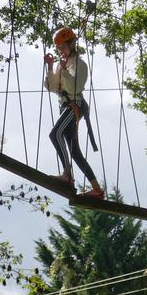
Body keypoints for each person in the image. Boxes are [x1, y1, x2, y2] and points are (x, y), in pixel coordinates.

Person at [44, 27, 104, 199]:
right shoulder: (61, 64)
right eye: (59, 48)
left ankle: (67, 174)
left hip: (74, 104)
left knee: (55, 134)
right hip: (64, 106)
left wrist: (63, 70)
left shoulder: (80, 64)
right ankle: (97, 190)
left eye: (62, 47)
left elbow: (75, 87)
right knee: (75, 151)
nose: (60, 51)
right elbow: (53, 87)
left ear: (71, 45)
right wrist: (50, 67)